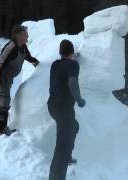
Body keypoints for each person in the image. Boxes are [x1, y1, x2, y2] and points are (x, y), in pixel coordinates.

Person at [0, 24, 39, 136]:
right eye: (26, 35)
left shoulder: (22, 46)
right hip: (2, 79)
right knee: (4, 102)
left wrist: (36, 63)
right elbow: (0, 64)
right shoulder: (10, 47)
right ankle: (1, 130)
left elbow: (28, 57)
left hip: (8, 79)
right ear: (19, 35)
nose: (27, 37)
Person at [47, 39, 86, 180]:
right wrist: (79, 100)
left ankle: (67, 155)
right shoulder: (73, 65)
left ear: (60, 52)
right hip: (64, 108)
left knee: (74, 127)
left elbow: (64, 68)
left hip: (52, 106)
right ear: (72, 52)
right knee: (62, 145)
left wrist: (72, 58)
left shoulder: (55, 64)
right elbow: (72, 82)